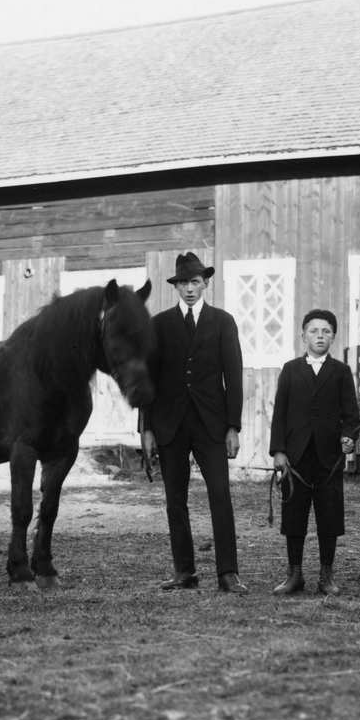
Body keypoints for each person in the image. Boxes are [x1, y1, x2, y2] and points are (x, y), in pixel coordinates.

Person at [141, 252, 248, 594]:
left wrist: (233, 426)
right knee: (175, 500)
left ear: (206, 284)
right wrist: (146, 428)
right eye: (184, 283)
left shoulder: (223, 321)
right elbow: (148, 380)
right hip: (169, 425)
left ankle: (227, 573)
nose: (189, 289)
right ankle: (184, 572)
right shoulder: (159, 325)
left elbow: (234, 376)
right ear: (176, 286)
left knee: (220, 494)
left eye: (195, 282)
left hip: (211, 425)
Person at [268, 309, 360, 596]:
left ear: (333, 337)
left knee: (329, 515)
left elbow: (351, 415)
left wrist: (349, 438)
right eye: (313, 331)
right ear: (303, 336)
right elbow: (280, 413)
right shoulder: (290, 369)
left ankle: (326, 574)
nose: (320, 336)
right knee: (294, 514)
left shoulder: (341, 371)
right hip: (295, 458)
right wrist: (279, 451)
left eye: (326, 331)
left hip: (328, 458)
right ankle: (295, 574)